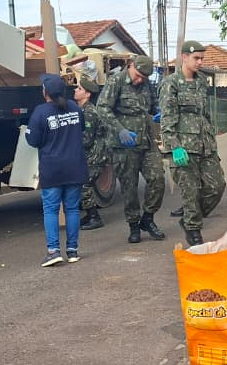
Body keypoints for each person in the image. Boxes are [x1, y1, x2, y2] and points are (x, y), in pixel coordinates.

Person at [159, 40, 227, 247]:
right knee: (191, 191)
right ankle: (193, 229)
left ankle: (190, 218)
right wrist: (174, 146)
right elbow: (167, 118)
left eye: (201, 58)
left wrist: (212, 138)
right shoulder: (171, 83)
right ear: (184, 57)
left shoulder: (201, 81)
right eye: (196, 58)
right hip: (183, 147)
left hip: (205, 144)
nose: (199, 62)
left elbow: (204, 113)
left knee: (217, 186)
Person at [96, 54, 166, 243]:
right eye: (138, 75)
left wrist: (158, 111)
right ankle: (134, 225)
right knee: (129, 188)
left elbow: (153, 104)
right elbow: (102, 108)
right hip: (124, 145)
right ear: (131, 65)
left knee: (158, 178)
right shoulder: (116, 81)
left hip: (146, 141)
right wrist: (120, 130)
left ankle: (148, 218)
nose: (139, 80)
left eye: (144, 78)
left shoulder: (146, 84)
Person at [26, 73, 88, 267]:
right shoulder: (75, 109)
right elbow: (82, 130)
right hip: (75, 166)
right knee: (72, 209)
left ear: (46, 93)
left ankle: (53, 251)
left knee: (51, 210)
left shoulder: (41, 112)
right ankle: (73, 250)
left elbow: (32, 140)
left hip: (52, 168)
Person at [73, 74, 109, 230]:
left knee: (84, 184)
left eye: (79, 88)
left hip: (96, 155)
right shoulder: (83, 109)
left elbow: (87, 140)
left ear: (87, 94)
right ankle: (90, 214)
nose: (75, 90)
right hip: (93, 154)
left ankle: (94, 217)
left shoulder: (89, 112)